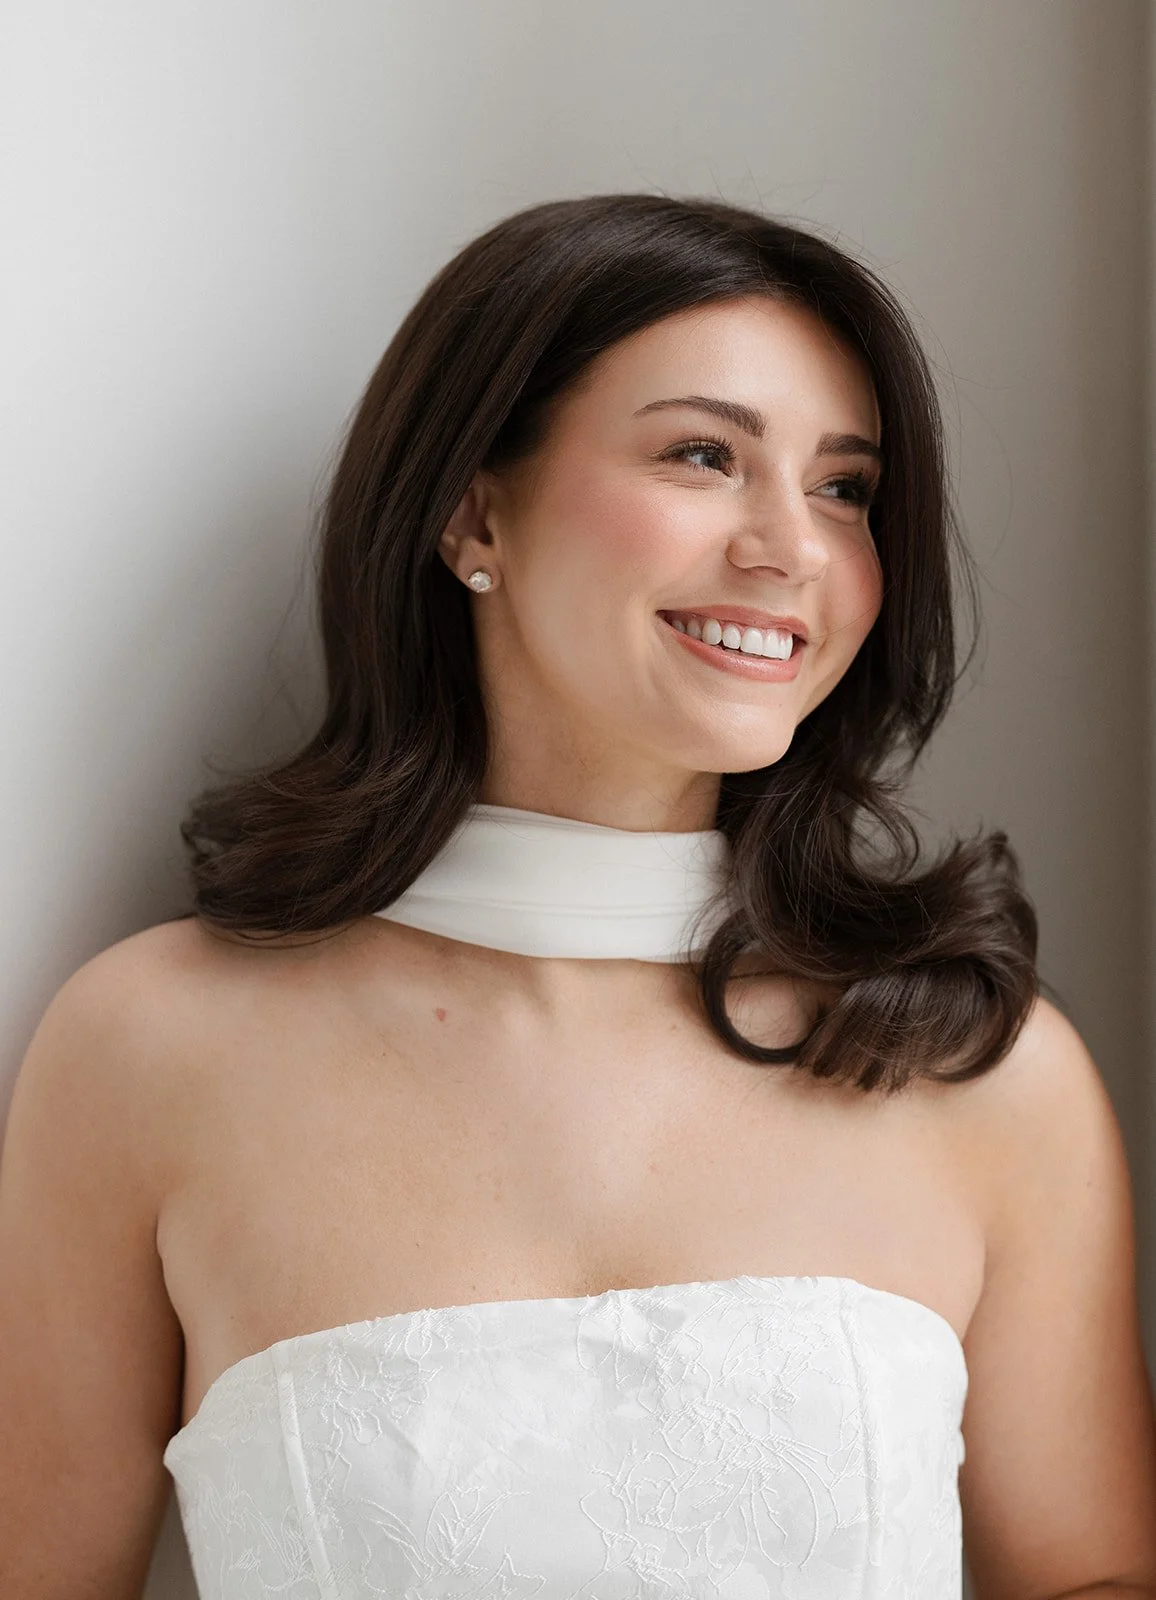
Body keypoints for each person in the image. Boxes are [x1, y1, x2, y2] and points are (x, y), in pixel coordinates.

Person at [2, 192, 1154, 1599]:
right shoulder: (148, 1050)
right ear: (472, 511)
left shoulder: (985, 1073)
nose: (789, 545)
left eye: (845, 487)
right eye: (704, 455)